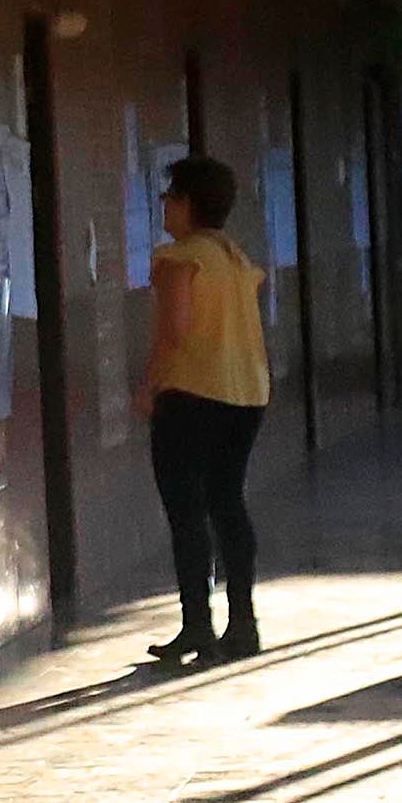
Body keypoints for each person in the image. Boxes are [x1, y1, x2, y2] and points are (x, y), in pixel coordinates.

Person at [140, 153, 272, 668]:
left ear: (189, 203)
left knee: (187, 512)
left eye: (169, 197)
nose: (163, 206)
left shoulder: (181, 258)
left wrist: (147, 385)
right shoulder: (234, 257)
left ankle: (198, 625)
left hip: (191, 394)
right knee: (228, 503)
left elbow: (173, 330)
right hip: (247, 396)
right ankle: (243, 623)